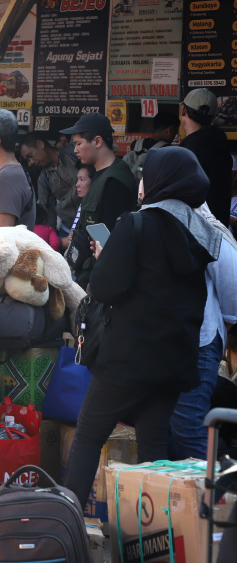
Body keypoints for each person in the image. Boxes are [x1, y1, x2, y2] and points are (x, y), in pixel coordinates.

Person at [63, 147, 217, 505]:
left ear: (160, 180)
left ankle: (66, 522)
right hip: (175, 358)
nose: (141, 181)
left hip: (127, 357)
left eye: (146, 174)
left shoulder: (136, 223)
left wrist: (107, 257)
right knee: (153, 446)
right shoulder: (202, 233)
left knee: (88, 434)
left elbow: (104, 287)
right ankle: (155, 533)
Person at [170, 197, 237, 461]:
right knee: (166, 425)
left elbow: (232, 288)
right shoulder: (152, 219)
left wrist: (227, 321)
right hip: (168, 341)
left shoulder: (203, 227)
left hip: (199, 340)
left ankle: (211, 497)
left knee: (186, 425)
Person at [60, 112, 139, 287]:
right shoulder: (99, 174)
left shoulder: (114, 181)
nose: (75, 150)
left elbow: (111, 242)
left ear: (97, 141)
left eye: (79, 144)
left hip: (100, 278)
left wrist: (95, 282)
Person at [179, 88, 232, 223]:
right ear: (213, 117)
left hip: (194, 234)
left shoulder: (186, 154)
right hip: (218, 233)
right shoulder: (221, 147)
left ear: (183, 110)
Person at [20, 132, 80, 234]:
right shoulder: (44, 178)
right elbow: (48, 211)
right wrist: (50, 235)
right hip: (67, 228)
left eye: (31, 155)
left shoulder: (73, 154)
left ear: (40, 144)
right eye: (28, 160)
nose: (32, 161)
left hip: (92, 223)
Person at [123, 110, 179, 179]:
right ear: (169, 130)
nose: (174, 136)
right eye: (175, 133)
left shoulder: (135, 144)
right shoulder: (168, 150)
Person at [62, 163, 95, 254]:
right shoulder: (84, 203)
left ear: (93, 181)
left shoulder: (87, 205)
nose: (77, 184)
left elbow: (70, 240)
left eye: (82, 179)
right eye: (77, 180)